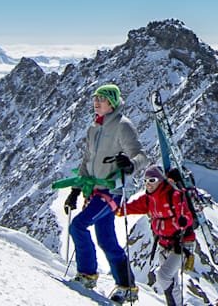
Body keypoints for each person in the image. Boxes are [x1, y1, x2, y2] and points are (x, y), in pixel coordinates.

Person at [63, 83, 151, 302]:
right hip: (95, 189)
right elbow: (87, 160)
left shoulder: (123, 126)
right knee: (106, 239)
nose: (96, 102)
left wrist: (130, 164)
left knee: (79, 225)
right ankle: (127, 286)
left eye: (101, 99)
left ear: (112, 102)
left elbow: (142, 156)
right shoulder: (94, 128)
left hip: (112, 190)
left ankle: (87, 274)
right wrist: (75, 190)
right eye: (95, 98)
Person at [121, 165, 197, 306]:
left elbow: (187, 215)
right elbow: (130, 208)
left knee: (163, 276)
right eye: (146, 180)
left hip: (181, 244)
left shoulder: (174, 195)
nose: (148, 184)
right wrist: (114, 209)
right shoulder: (148, 199)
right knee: (170, 278)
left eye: (152, 180)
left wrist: (184, 220)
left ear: (161, 181)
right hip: (164, 244)